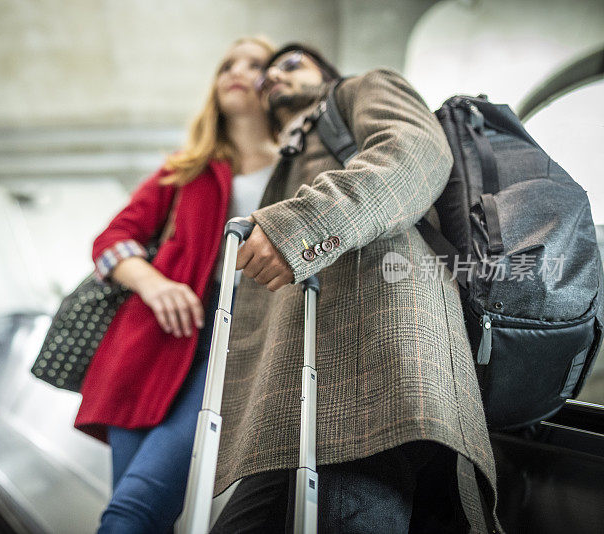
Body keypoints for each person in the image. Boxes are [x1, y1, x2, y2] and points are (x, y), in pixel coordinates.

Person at [210, 44, 499, 533]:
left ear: (325, 73)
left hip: (373, 348)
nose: (274, 76)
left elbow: (415, 152)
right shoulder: (293, 154)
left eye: (292, 64)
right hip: (304, 383)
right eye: (268, 76)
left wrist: (303, 225)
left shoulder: (360, 88)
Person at [73, 37, 278, 533]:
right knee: (138, 513)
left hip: (237, 351)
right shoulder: (187, 169)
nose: (236, 70)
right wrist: (153, 283)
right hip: (150, 345)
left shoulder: (300, 168)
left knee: (132, 513)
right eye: (227, 63)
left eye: (254, 64)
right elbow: (111, 240)